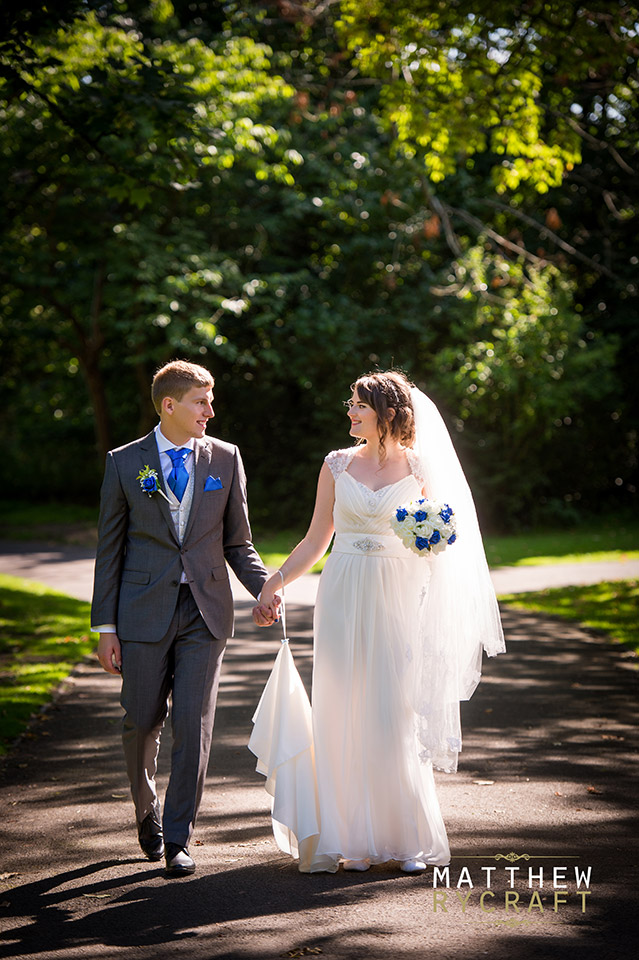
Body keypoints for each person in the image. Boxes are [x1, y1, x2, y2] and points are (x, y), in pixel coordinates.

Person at [256, 370, 505, 873]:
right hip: (343, 590)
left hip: (397, 593)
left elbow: (444, 542)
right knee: (341, 705)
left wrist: (431, 550)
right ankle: (350, 838)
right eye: (351, 403)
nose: (349, 411)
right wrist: (273, 582)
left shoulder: (420, 467)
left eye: (359, 405)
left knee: (393, 710)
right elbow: (315, 539)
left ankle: (402, 836)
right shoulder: (335, 465)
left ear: (387, 414)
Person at [92, 359, 275, 877]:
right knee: (141, 721)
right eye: (201, 401)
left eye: (211, 401)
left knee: (193, 725)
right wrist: (105, 626)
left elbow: (239, 542)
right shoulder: (125, 463)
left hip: (206, 612)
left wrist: (265, 589)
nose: (210, 412)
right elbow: (110, 551)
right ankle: (146, 810)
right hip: (140, 613)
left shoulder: (225, 459)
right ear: (169, 405)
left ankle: (178, 838)